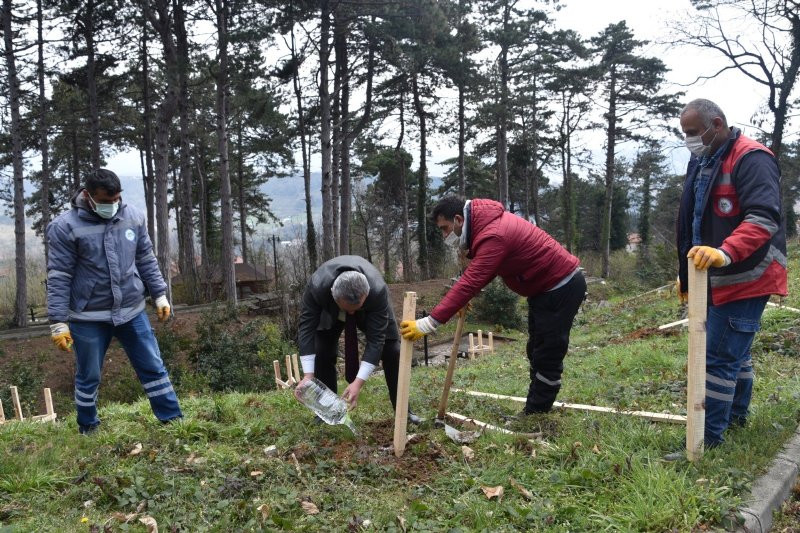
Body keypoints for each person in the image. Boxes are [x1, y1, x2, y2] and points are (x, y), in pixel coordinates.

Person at [400, 197, 586, 415]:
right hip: (544, 290)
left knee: (547, 353)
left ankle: (536, 414)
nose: (444, 236)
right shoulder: (486, 228)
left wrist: (429, 323)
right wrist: (465, 299)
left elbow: (472, 279)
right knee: (535, 349)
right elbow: (484, 273)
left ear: (459, 219)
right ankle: (536, 405)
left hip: (560, 287)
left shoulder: (493, 234)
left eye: (445, 228)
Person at [676, 98, 787, 448]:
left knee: (718, 357)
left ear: (718, 124)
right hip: (712, 273)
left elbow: (763, 218)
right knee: (734, 351)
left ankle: (708, 440)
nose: (689, 140)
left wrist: (725, 252)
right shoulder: (703, 160)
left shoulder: (751, 159)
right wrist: (685, 271)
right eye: (685, 134)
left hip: (747, 272)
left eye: (693, 132)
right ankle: (736, 417)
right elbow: (691, 220)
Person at [46, 169, 182, 434]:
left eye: (116, 199)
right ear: (88, 196)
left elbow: (145, 258)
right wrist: (58, 321)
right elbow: (59, 275)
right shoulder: (65, 227)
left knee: (153, 366)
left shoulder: (132, 217)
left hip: (131, 310)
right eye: (105, 202)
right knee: (89, 376)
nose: (112, 206)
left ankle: (172, 420)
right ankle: (88, 427)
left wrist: (160, 294)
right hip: (88, 316)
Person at [294, 255, 421, 424]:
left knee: (392, 351)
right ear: (334, 295)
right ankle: (328, 411)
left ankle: (404, 411)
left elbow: (376, 341)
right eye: (348, 309)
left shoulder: (377, 291)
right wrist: (308, 376)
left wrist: (358, 383)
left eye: (355, 308)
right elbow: (306, 329)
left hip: (370, 310)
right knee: (322, 351)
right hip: (329, 311)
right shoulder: (317, 287)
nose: (351, 313)